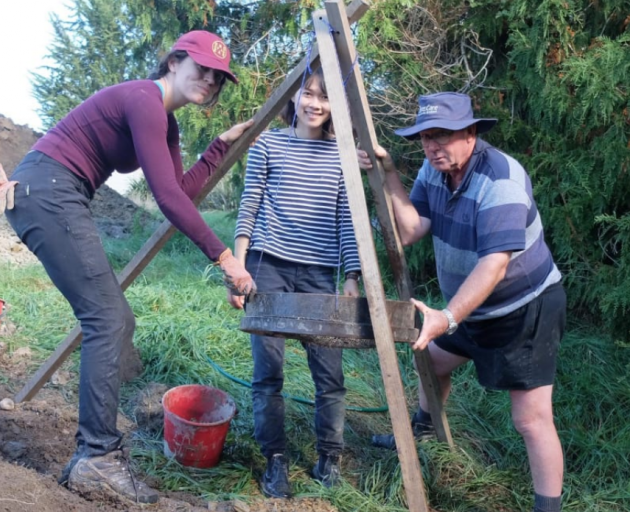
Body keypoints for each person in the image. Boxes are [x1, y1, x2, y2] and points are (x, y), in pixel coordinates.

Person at [0, 30, 256, 505]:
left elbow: (179, 191)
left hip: (60, 194)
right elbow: (167, 198)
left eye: (219, 78)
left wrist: (219, 146)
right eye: (201, 68)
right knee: (106, 319)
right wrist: (224, 257)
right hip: (48, 191)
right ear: (174, 61)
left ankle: (91, 451)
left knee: (117, 321)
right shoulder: (143, 98)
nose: (209, 81)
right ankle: (96, 455)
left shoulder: (166, 123)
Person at [358, 92, 566, 512]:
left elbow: (494, 266)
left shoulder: (501, 178)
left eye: (444, 136)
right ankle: (424, 434)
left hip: (525, 308)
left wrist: (448, 317)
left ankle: (549, 508)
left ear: (471, 133)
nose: (433, 146)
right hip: (471, 306)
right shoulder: (434, 171)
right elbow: (413, 228)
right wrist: (389, 173)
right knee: (431, 365)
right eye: (425, 138)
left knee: (530, 418)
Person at [227, 67, 361, 498]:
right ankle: (276, 460)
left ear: (333, 107)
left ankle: (329, 456)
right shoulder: (268, 144)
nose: (315, 103)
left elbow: (347, 221)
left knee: (330, 374)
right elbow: (249, 207)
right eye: (309, 92)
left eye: (324, 97)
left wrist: (352, 276)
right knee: (269, 373)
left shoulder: (342, 156)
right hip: (269, 269)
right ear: (296, 96)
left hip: (320, 275)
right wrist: (238, 268)